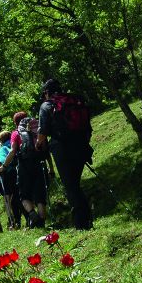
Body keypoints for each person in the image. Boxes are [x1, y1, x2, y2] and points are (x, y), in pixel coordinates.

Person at [36, 79, 93, 230]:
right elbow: (87, 125)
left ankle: (82, 224)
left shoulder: (47, 106)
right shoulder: (75, 100)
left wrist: (38, 144)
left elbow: (42, 133)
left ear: (46, 92)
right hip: (82, 146)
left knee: (71, 186)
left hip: (62, 148)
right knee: (74, 184)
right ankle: (85, 221)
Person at [0, 131, 22, 230]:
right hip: (19, 172)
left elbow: (0, 163)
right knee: (19, 195)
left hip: (8, 175)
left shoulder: (2, 149)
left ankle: (15, 222)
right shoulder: (14, 144)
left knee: (10, 200)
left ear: (1, 140)